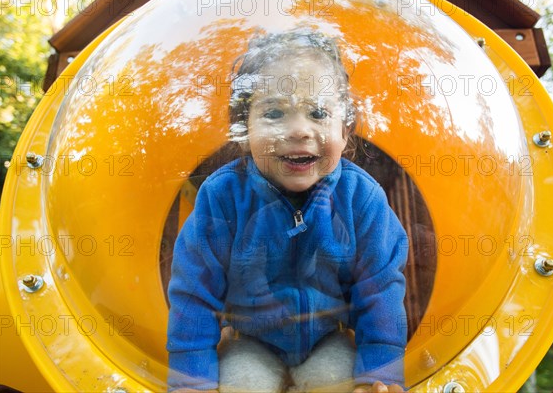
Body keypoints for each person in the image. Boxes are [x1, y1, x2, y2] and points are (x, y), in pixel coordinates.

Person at [167, 29, 408, 393]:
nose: (298, 130)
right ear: (243, 129)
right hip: (251, 345)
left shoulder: (362, 198)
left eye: (318, 112)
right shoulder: (222, 197)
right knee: (241, 387)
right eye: (275, 112)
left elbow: (381, 290)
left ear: (345, 130)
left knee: (340, 384)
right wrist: (191, 380)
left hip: (327, 341)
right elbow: (195, 293)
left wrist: (379, 375)